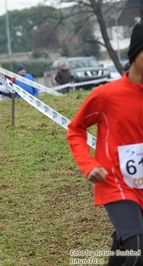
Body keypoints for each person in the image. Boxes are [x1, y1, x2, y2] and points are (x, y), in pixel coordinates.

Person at [66, 23, 143, 266]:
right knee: (137, 252)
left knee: (130, 248)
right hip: (116, 182)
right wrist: (88, 165)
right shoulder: (107, 95)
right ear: (134, 55)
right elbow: (75, 129)